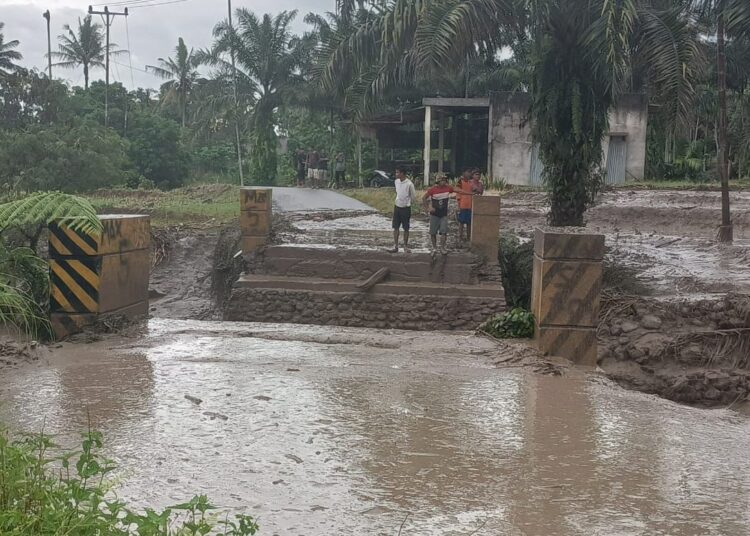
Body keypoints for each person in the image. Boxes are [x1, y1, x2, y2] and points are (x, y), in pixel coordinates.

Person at [423, 174, 457, 255]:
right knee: (433, 232)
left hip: (444, 214)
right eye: (442, 180)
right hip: (434, 214)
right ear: (438, 181)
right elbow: (424, 198)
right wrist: (428, 208)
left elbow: (459, 190)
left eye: (445, 180)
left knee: (444, 232)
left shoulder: (448, 188)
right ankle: (434, 248)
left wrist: (470, 193)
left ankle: (442, 247)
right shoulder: (432, 189)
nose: (444, 182)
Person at [390, 166, 417, 253]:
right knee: (395, 227)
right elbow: (397, 192)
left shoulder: (409, 184)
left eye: (398, 172)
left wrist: (408, 203)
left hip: (405, 208)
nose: (396, 174)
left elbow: (413, 197)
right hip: (397, 206)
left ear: (402, 173)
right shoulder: (396, 181)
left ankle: (405, 246)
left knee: (406, 228)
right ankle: (396, 245)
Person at [456, 168, 485, 244]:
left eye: (479, 175)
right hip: (463, 204)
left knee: (469, 223)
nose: (477, 176)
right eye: (476, 174)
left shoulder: (478, 184)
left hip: (472, 205)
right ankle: (460, 238)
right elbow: (458, 193)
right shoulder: (464, 182)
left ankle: (468, 238)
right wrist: (458, 206)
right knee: (461, 222)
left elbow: (480, 194)